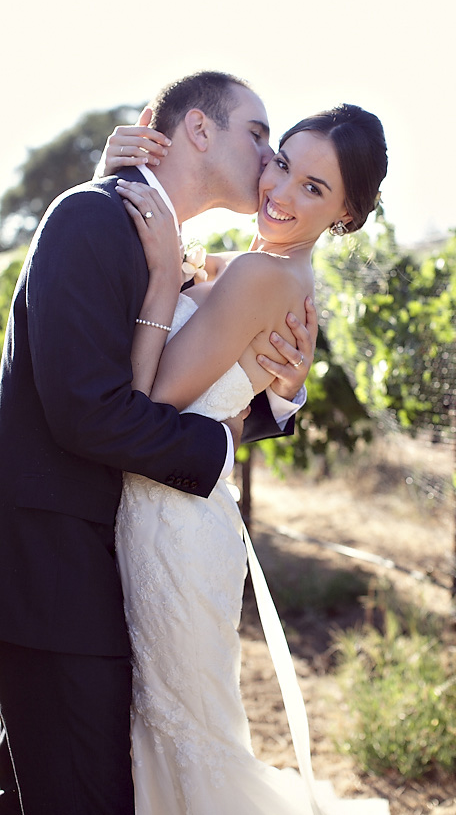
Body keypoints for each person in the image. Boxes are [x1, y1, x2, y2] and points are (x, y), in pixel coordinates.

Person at [0, 71, 317, 815]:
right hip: (55, 575)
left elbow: (189, 374)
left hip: (128, 565)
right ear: (198, 130)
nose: (271, 161)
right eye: (259, 135)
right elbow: (86, 411)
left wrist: (280, 394)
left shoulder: (172, 244)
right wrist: (217, 455)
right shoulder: (92, 216)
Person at [100, 102, 390, 813]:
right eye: (284, 164)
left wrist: (168, 273)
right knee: (163, 729)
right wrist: (112, 182)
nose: (281, 193)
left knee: (181, 734)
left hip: (171, 527)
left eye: (314, 190)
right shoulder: (246, 266)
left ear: (346, 216)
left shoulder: (265, 276)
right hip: (163, 514)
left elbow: (154, 396)